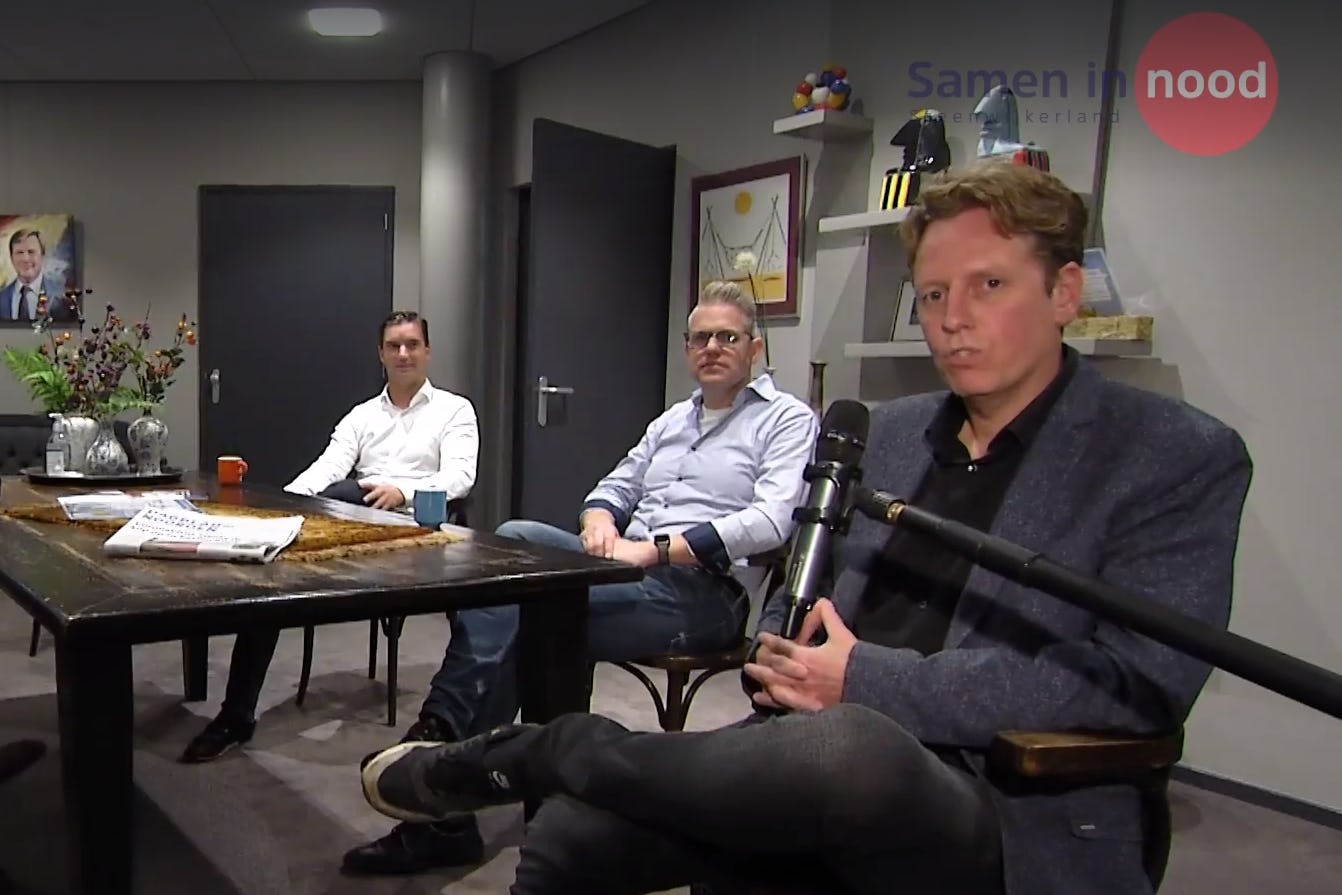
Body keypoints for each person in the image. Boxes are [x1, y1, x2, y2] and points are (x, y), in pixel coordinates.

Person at [355, 162, 1254, 895]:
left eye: (989, 285)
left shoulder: (1172, 453)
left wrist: (864, 679)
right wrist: (788, 650)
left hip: (996, 792)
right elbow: (803, 583)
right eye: (932, 293)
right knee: (575, 833)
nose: (952, 318)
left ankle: (541, 748)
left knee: (852, 747)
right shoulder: (889, 431)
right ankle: (540, 763)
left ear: (1064, 292)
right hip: (806, 739)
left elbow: (1135, 685)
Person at [339, 280, 820, 875]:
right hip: (625, 567)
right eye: (700, 338)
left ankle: (445, 760)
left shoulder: (786, 419)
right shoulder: (674, 419)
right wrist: (599, 520)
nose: (712, 348)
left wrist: (655, 551)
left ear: (755, 348)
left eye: (727, 337)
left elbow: (771, 521)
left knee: (535, 614)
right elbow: (616, 485)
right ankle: (466, 759)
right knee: (514, 541)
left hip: (704, 592)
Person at [180, 310, 479, 763]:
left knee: (346, 494)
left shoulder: (454, 410)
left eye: (412, 345)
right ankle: (235, 716)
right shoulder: (363, 415)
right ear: (380, 354)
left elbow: (459, 476)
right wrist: (282, 504)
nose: (403, 354)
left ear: (427, 351)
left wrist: (403, 491)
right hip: (355, 526)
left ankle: (459, 712)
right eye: (394, 346)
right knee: (272, 577)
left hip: (420, 527)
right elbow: (327, 467)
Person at [0, 230, 76, 323]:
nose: (25, 259)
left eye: (31, 252)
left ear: (42, 255)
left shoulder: (62, 297)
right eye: (19, 252)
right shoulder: (2, 297)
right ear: (11, 257)